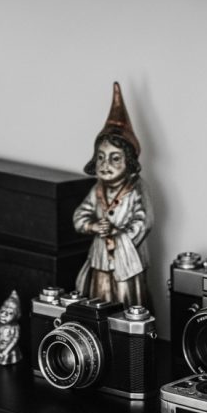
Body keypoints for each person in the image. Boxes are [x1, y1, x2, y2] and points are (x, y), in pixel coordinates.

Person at [73, 82, 153, 307]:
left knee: (128, 301)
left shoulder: (137, 188)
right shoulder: (97, 189)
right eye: (101, 157)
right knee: (99, 297)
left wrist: (119, 236)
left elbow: (144, 221)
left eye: (115, 158)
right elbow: (81, 215)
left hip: (128, 260)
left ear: (129, 162)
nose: (105, 164)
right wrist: (93, 227)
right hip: (100, 259)